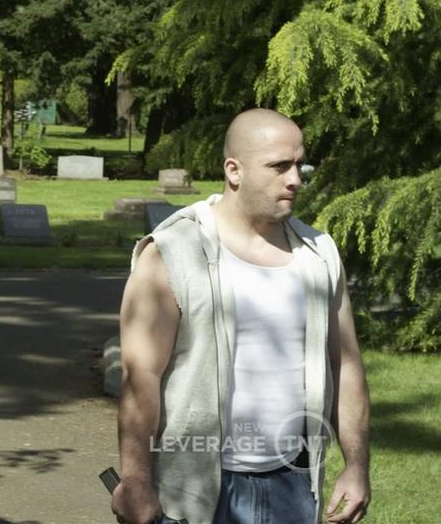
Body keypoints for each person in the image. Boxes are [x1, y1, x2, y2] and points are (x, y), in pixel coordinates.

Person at [110, 109, 371, 524]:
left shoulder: (318, 253)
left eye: (298, 165)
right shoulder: (175, 252)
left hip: (294, 484)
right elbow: (140, 374)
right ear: (234, 170)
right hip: (197, 488)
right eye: (279, 166)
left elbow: (347, 363)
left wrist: (357, 467)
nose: (295, 179)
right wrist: (136, 479)